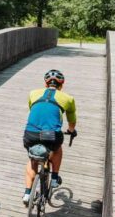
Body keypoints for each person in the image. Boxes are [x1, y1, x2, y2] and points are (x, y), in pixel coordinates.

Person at [23, 69, 77, 205]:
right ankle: (54, 177)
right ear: (62, 84)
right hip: (51, 135)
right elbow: (72, 121)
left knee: (32, 159)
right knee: (57, 150)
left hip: (31, 133)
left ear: (45, 83)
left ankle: (27, 193)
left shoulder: (33, 93)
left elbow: (33, 109)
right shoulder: (68, 99)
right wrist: (71, 131)